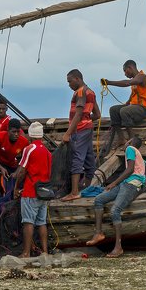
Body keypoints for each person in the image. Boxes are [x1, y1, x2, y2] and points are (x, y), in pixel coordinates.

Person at [86, 136, 146, 257]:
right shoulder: (136, 152)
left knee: (115, 210)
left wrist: (114, 183)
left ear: (130, 142)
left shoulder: (130, 148)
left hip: (131, 184)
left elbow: (129, 170)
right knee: (99, 200)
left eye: (127, 140)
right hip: (126, 183)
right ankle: (98, 233)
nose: (124, 143)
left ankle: (118, 247)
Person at [14, 121, 53, 258]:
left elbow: (22, 171)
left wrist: (16, 187)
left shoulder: (29, 149)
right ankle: (45, 251)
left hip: (31, 190)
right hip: (44, 192)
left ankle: (26, 252)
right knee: (42, 222)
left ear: (30, 135)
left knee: (28, 222)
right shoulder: (48, 152)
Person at [60, 69, 100, 201]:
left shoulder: (81, 92)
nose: (69, 85)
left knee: (77, 159)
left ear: (77, 79)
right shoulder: (91, 92)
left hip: (80, 131)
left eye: (70, 81)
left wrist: (67, 133)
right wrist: (87, 120)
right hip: (87, 130)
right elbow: (97, 115)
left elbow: (78, 114)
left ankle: (74, 192)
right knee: (89, 160)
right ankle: (87, 189)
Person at [103, 60, 146, 149]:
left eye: (125, 71)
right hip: (135, 107)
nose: (125, 74)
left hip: (145, 109)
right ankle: (121, 139)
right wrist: (126, 103)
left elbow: (127, 83)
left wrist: (109, 82)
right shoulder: (134, 81)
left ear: (130, 68)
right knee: (113, 109)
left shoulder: (142, 77)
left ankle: (132, 141)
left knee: (124, 111)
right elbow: (133, 96)